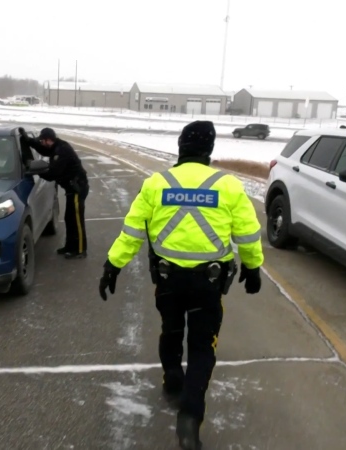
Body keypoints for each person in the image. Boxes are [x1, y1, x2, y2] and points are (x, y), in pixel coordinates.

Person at [98, 120, 264, 449]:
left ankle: (172, 379)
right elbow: (247, 231)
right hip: (209, 283)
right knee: (202, 348)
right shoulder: (227, 186)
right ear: (209, 149)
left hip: (168, 280)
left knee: (171, 330)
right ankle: (189, 418)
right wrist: (253, 267)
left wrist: (112, 265)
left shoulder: (157, 183)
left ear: (180, 146)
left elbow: (132, 231)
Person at [19, 127, 89, 259]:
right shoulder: (55, 146)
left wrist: (35, 170)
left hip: (77, 188)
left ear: (48, 139)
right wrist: (29, 141)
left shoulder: (61, 151)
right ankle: (70, 246)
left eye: (42, 140)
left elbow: (52, 174)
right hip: (71, 188)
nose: (41, 143)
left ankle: (80, 250)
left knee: (76, 220)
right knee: (69, 218)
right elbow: (43, 149)